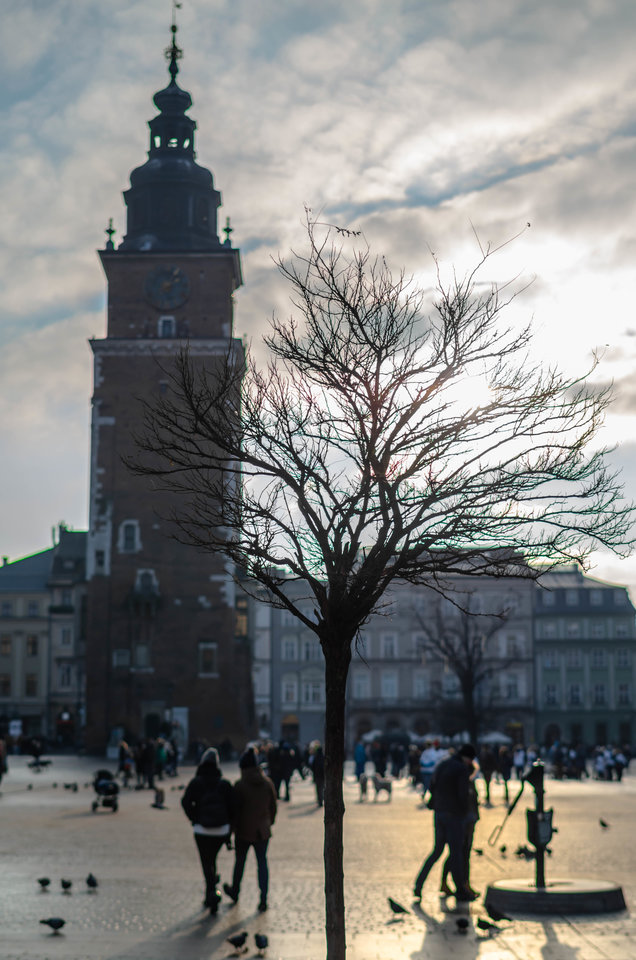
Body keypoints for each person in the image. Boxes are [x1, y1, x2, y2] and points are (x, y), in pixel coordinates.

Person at [413, 744, 477, 903]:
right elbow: (463, 794)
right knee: (456, 853)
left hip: (439, 812)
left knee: (437, 851)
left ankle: (418, 885)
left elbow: (432, 786)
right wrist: (464, 813)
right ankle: (461, 890)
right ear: (468, 758)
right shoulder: (461, 769)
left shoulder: (443, 763)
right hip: (454, 815)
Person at [224, 747, 277, 913]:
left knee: (240, 863)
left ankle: (235, 892)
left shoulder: (240, 786)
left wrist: (231, 831)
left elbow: (235, 812)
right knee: (262, 864)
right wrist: (269, 823)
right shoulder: (267, 783)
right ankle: (263, 898)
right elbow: (273, 807)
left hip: (243, 832)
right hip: (262, 831)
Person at [181, 747, 235, 912]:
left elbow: (185, 802)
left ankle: (211, 892)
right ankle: (211, 892)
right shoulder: (224, 784)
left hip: (201, 829)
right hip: (221, 830)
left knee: (206, 861)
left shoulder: (196, 782)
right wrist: (229, 827)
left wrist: (193, 818)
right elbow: (233, 807)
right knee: (212, 860)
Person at [440, 757, 480, 898]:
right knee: (458, 855)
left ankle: (463, 883)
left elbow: (474, 804)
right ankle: (459, 884)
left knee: (461, 855)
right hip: (463, 823)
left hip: (468, 822)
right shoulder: (462, 785)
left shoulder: (468, 784)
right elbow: (466, 805)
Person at [308, 740, 325, 806]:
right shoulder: (323, 757)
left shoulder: (315, 757)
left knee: (318, 788)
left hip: (317, 775)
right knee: (322, 787)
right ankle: (322, 798)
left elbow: (312, 766)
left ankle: (319, 800)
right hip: (323, 775)